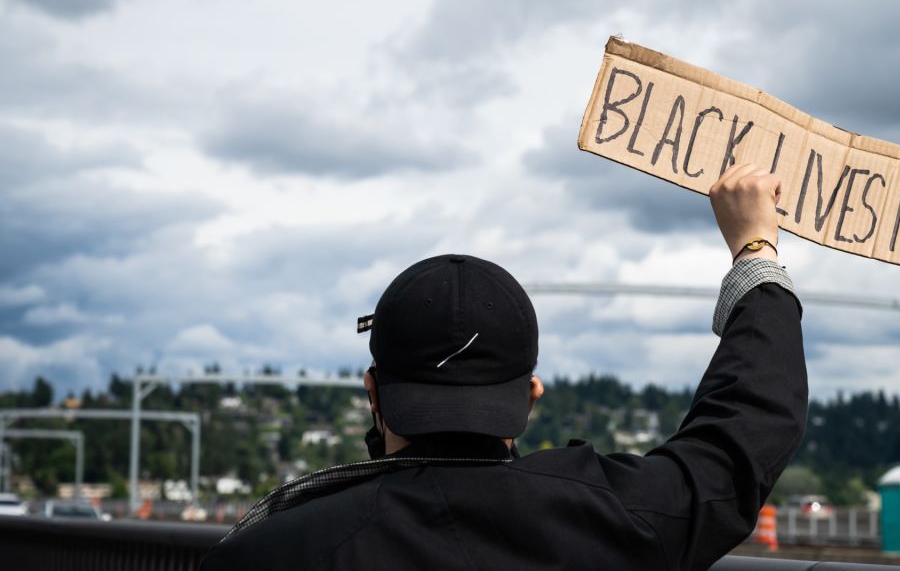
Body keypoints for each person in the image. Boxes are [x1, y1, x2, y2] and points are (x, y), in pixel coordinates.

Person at [201, 164, 807, 571]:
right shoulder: (612, 517)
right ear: (531, 394)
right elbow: (738, 439)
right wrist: (756, 253)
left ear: (373, 393)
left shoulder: (271, 549)